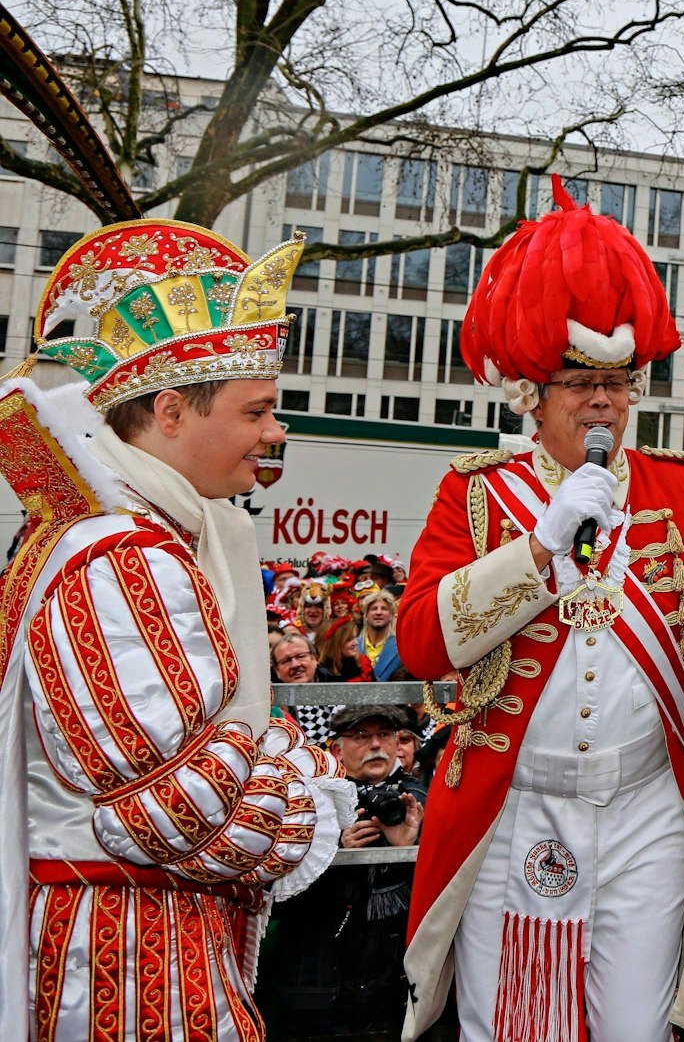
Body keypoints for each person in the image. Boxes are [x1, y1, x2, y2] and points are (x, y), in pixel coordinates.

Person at [399, 179, 684, 1042]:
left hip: (647, 809)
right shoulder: (480, 495)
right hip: (521, 806)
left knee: (637, 1028)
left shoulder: (674, 484)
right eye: (580, 382)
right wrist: (538, 551)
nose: (603, 401)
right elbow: (421, 640)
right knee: (514, 1025)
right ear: (531, 391)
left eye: (618, 380)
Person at [0, 221, 346, 1040]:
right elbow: (179, 806)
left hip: (131, 936)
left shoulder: (122, 535)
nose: (275, 431)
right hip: (124, 961)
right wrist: (315, 792)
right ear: (168, 410)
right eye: (256, 409)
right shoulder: (122, 556)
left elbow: (208, 756)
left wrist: (262, 760)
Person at [259, 705, 429, 1041]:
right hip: (316, 997)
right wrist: (332, 854)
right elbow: (277, 904)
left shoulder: (423, 802)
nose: (376, 745)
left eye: (384, 735)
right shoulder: (309, 805)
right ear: (336, 749)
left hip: (394, 998)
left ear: (398, 743)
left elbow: (442, 904)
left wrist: (407, 850)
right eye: (362, 736)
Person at [355, 588, 404, 679]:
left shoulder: (402, 647)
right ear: (366, 616)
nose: (379, 612)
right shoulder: (353, 646)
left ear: (391, 616)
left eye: (384, 609)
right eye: (374, 609)